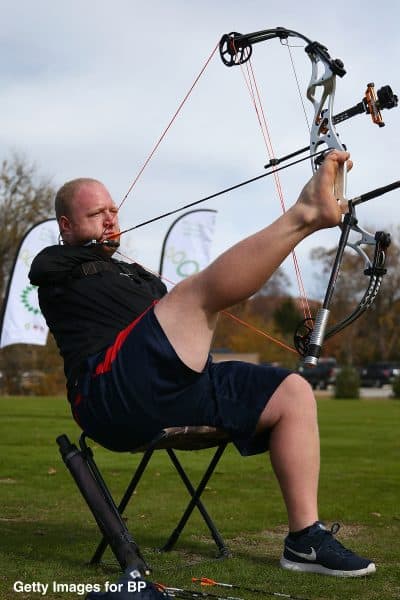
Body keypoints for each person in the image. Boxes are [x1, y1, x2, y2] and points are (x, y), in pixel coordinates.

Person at [29, 150, 375, 578]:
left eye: (113, 211)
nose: (110, 220)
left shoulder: (134, 274)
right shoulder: (56, 267)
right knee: (193, 295)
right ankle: (305, 215)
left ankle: (304, 539)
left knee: (293, 392)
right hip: (107, 396)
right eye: (96, 213)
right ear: (66, 225)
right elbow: (46, 266)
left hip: (172, 389)